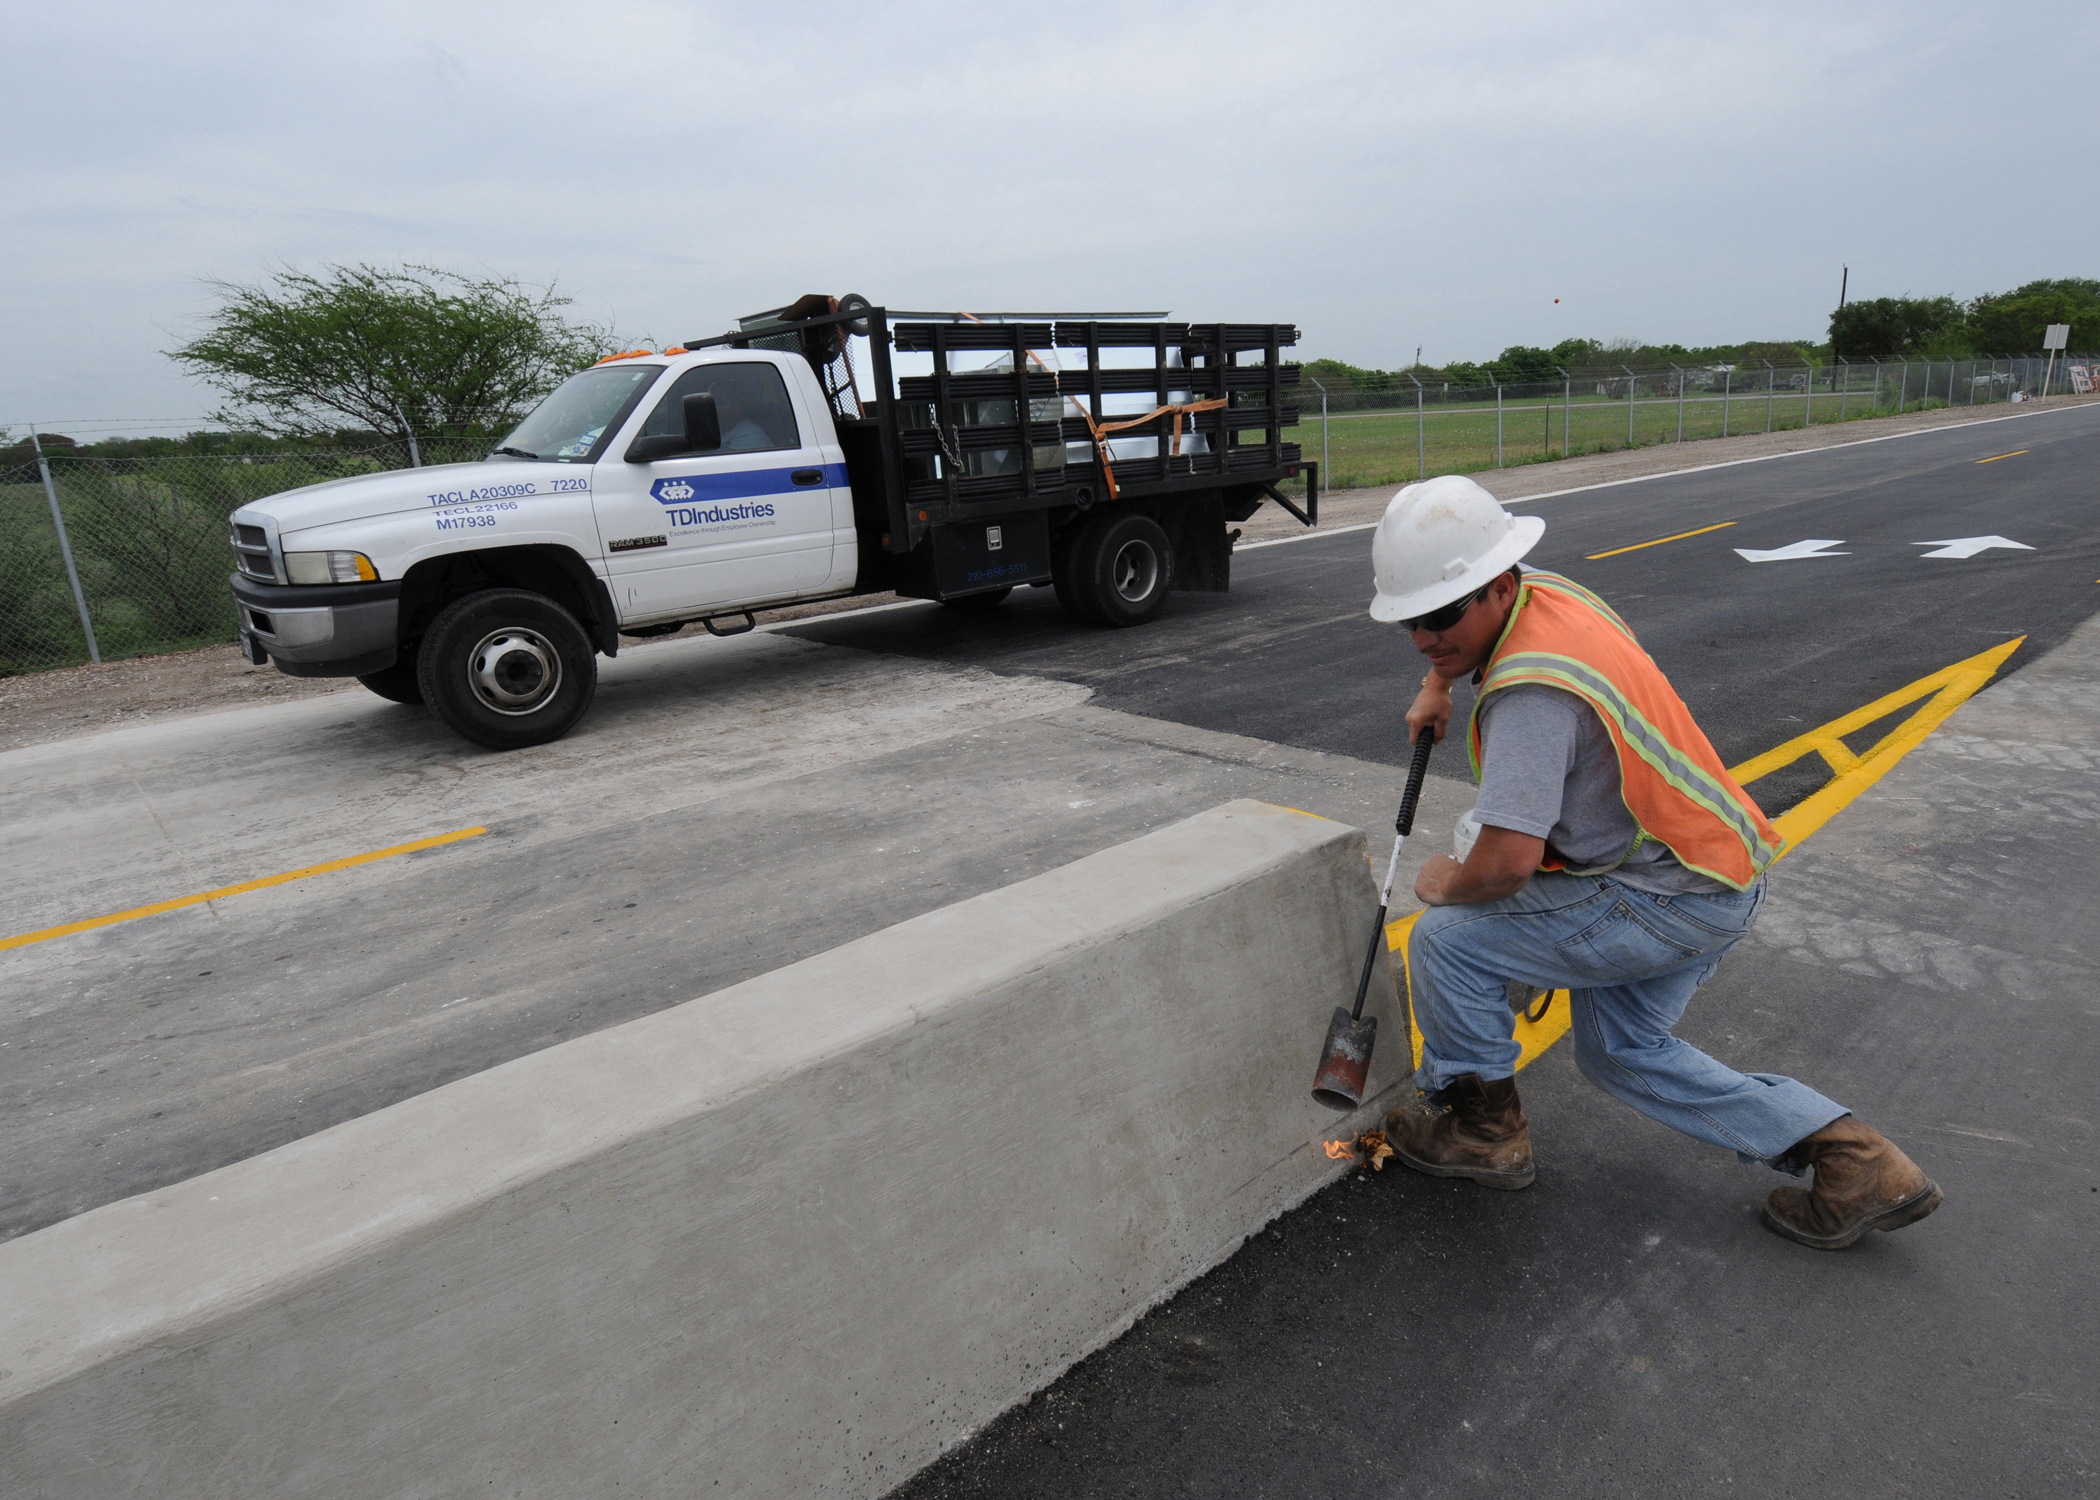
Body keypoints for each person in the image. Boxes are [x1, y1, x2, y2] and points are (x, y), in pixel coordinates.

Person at [1368, 475, 1941, 1251]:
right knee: (1620, 1055)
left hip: (1661, 897)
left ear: (1497, 586)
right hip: (1715, 869)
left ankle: (1482, 1134)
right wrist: (1438, 684)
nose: (1427, 638)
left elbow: (1504, 865)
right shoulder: (1550, 596)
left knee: (1447, 940)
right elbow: (1456, 636)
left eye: (1441, 618)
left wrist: (1443, 883)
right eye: (1410, 624)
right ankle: (1857, 1162)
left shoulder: (1531, 698)